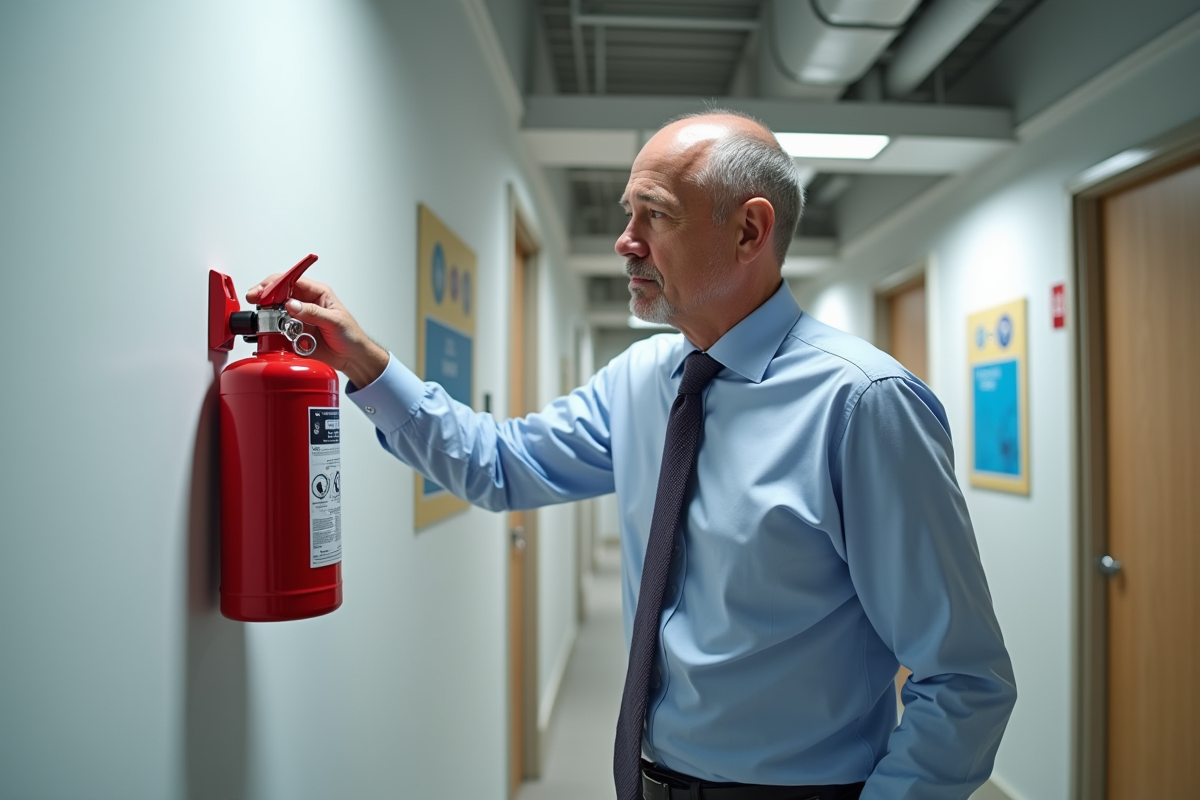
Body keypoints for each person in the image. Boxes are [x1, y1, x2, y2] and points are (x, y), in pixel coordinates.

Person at [249, 111, 1016, 800]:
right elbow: (500, 464)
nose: (626, 239)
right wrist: (368, 365)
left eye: (656, 214)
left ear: (750, 231)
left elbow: (964, 678)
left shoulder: (863, 405)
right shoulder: (644, 382)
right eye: (629, 212)